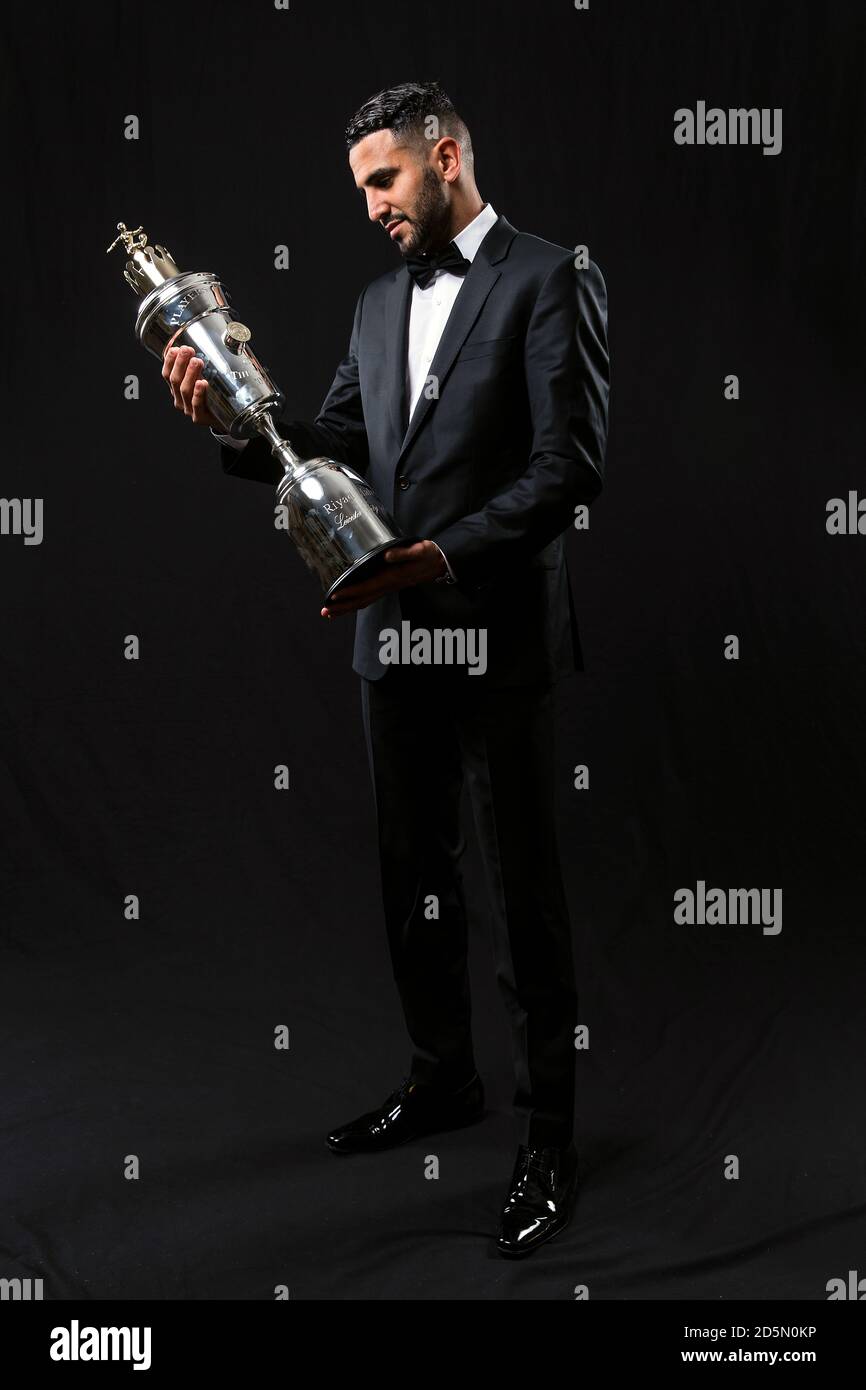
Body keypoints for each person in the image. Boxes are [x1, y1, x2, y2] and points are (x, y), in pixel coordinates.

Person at [162, 80, 610, 1258]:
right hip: (389, 636)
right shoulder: (372, 302)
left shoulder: (550, 275)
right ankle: (441, 1079)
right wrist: (226, 423)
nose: (368, 206)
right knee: (411, 873)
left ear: (446, 156)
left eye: (383, 180)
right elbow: (330, 445)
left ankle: (548, 1136)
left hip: (493, 631)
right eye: (360, 186)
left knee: (522, 897)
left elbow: (569, 467)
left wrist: (440, 553)